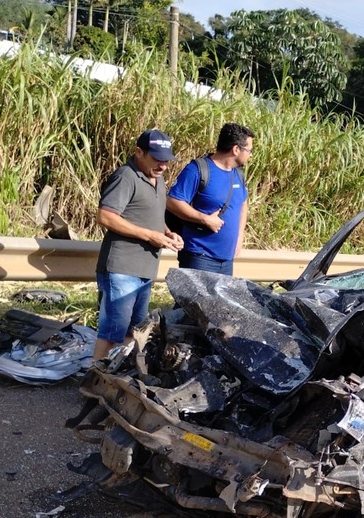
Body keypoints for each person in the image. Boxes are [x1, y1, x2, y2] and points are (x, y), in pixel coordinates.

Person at [93, 129, 183, 361]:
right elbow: (106, 216)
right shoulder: (126, 176)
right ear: (139, 153)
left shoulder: (159, 179)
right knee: (113, 332)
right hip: (122, 268)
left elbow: (148, 214)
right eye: (156, 159)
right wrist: (150, 236)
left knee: (135, 331)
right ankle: (94, 379)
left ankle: (116, 379)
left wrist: (168, 233)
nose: (162, 166)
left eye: (166, 160)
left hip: (145, 270)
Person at [166, 123, 253, 276]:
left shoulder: (238, 174)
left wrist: (240, 236)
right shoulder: (198, 170)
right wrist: (205, 219)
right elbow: (173, 202)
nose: (250, 154)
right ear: (236, 149)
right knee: (193, 301)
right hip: (199, 256)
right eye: (249, 150)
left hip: (226, 260)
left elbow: (243, 203)